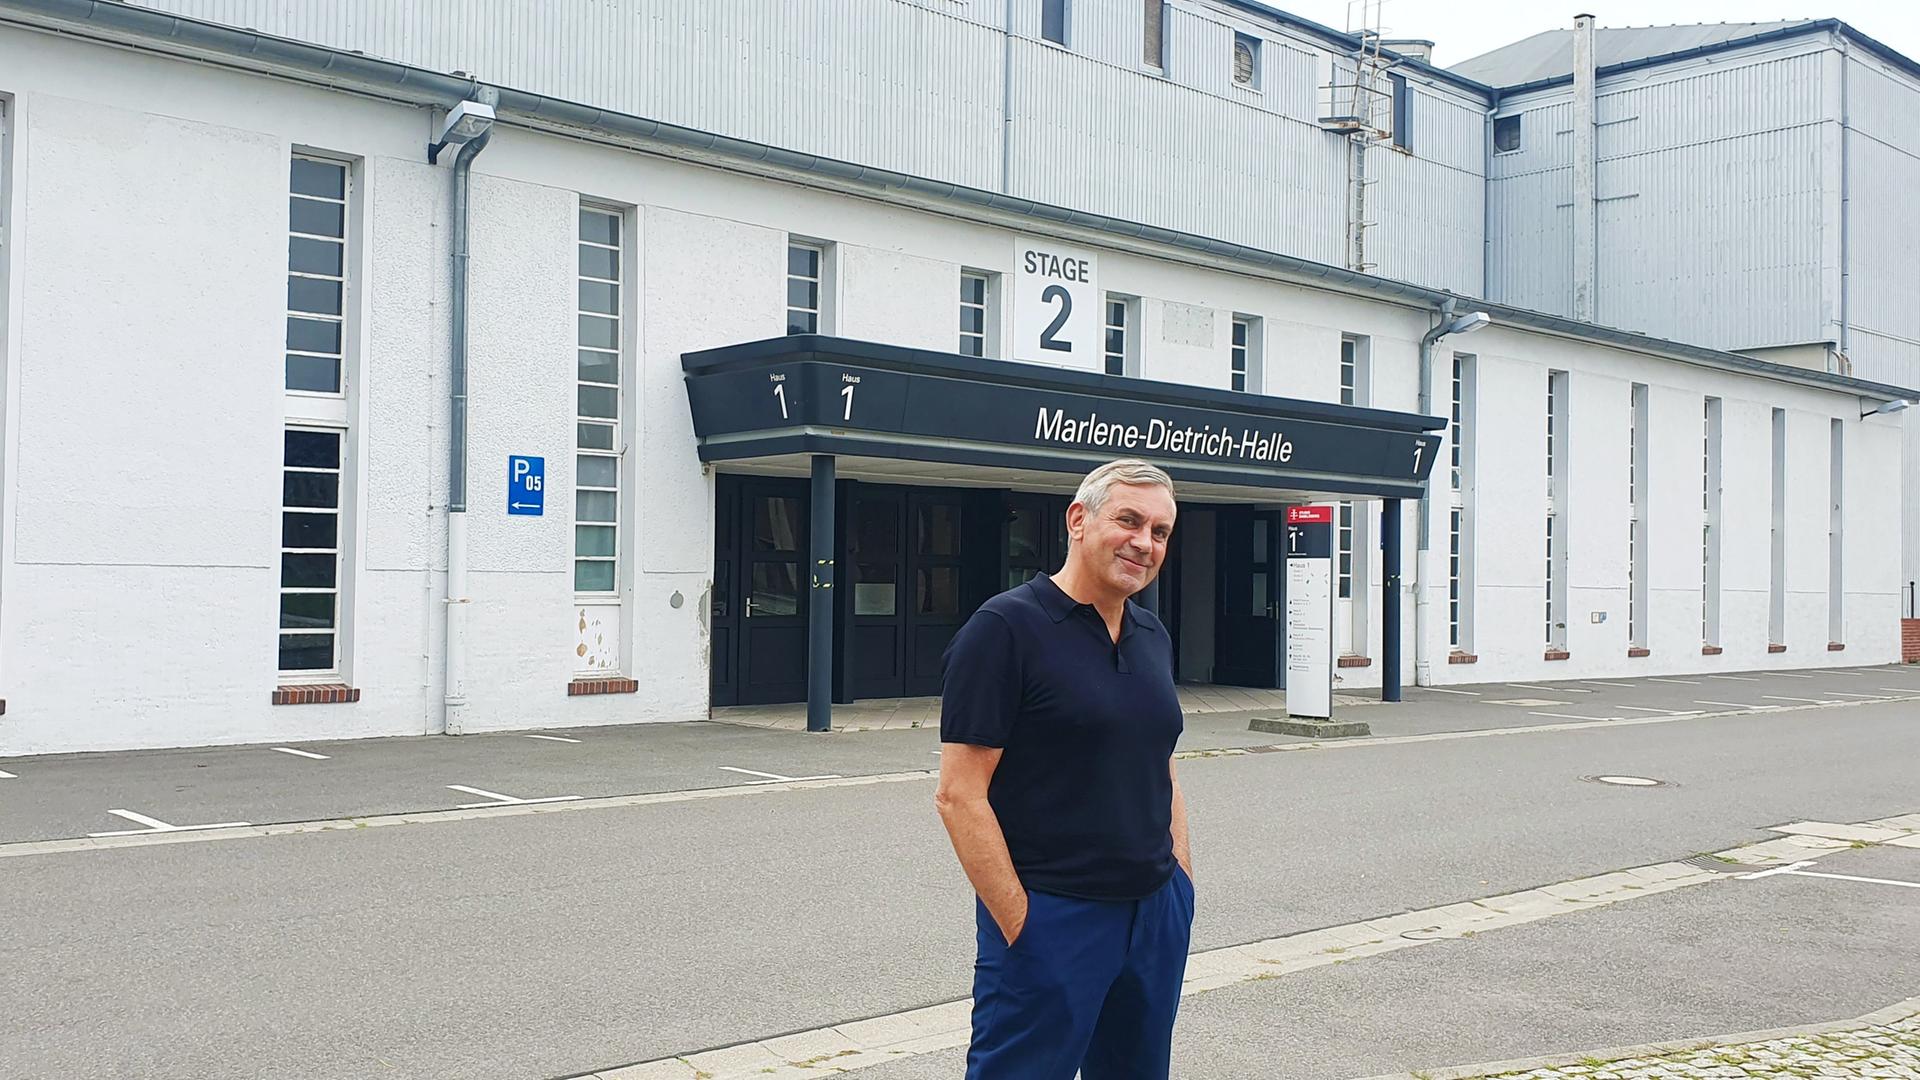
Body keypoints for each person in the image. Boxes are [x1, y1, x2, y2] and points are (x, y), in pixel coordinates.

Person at [934, 458, 1193, 1080]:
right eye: (1128, 520)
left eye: (1160, 532)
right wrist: (1022, 924)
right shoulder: (1004, 629)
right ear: (1079, 519)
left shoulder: (1151, 634)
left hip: (1153, 914)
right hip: (1053, 915)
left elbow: (1163, 763)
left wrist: (1179, 883)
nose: (1144, 542)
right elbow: (958, 794)